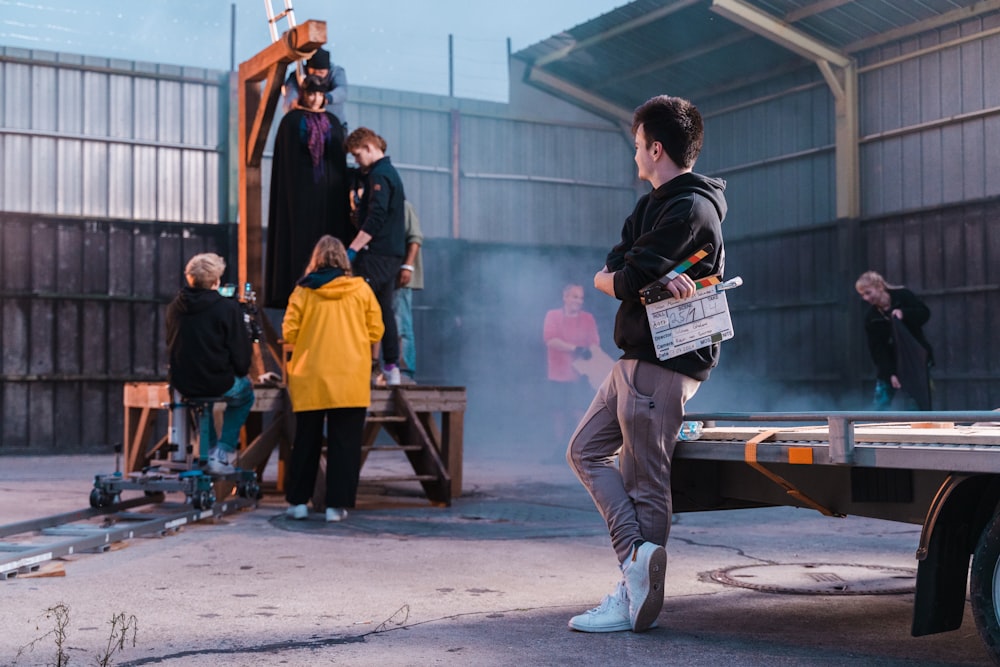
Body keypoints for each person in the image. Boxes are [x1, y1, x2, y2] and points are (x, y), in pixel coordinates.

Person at [566, 95, 727, 634]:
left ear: (656, 148)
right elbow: (611, 269)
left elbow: (624, 280)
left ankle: (635, 591)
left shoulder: (690, 208)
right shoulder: (650, 206)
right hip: (632, 358)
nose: (633, 153)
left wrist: (629, 278)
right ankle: (637, 558)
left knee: (645, 480)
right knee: (584, 451)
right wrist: (626, 277)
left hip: (662, 362)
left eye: (637, 144)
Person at [282, 235, 384, 522]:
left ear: (315, 259)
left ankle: (299, 503)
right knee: (345, 443)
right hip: (349, 377)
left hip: (310, 376)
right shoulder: (361, 289)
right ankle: (335, 507)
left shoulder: (302, 292)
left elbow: (289, 333)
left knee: (306, 441)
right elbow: (376, 330)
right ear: (343, 259)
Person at [264, 74, 352, 310]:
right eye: (311, 93)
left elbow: (337, 159)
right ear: (304, 93)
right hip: (299, 193)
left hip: (328, 196)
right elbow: (287, 161)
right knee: (300, 243)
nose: (315, 99)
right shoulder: (291, 122)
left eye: (320, 94)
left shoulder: (332, 122)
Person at [165, 253, 255, 474]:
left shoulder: (174, 307)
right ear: (216, 281)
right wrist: (242, 372)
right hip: (217, 381)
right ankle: (222, 451)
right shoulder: (227, 308)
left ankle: (209, 448)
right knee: (245, 394)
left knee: (199, 400)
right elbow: (241, 356)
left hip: (182, 382)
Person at [344, 127, 407, 386]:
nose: (357, 162)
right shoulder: (390, 173)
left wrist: (353, 249)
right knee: (383, 310)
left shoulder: (379, 175)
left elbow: (376, 217)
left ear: (370, 148)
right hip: (391, 254)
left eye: (358, 155)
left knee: (360, 307)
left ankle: (364, 364)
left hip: (377, 254)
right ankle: (391, 366)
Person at [856, 270, 934, 410]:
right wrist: (891, 373)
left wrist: (904, 314)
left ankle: (918, 429)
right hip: (889, 363)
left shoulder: (903, 296)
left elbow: (924, 313)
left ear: (879, 286)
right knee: (880, 404)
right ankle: (874, 430)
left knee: (918, 403)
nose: (866, 298)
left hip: (914, 358)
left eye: (868, 293)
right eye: (862, 295)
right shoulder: (871, 317)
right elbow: (877, 349)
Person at [543, 283, 600, 443]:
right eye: (575, 296)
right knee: (557, 412)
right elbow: (550, 340)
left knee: (579, 410)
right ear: (565, 297)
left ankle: (578, 448)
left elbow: (594, 343)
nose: (579, 301)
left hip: (580, 374)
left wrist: (588, 350)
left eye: (581, 297)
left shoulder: (587, 318)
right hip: (557, 373)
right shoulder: (553, 315)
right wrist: (576, 348)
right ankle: (559, 449)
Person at [394, 200, 424, 383]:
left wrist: (407, 266)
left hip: (400, 276)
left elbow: (415, 237)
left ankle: (407, 371)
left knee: (402, 324)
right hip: (385, 275)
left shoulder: (403, 206)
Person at [281, 47, 348, 128]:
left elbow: (342, 91)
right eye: (313, 72)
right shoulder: (297, 75)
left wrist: (326, 98)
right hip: (308, 126)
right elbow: (291, 92)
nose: (317, 75)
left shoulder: (336, 72)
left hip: (334, 126)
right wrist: (292, 103)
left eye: (321, 72)